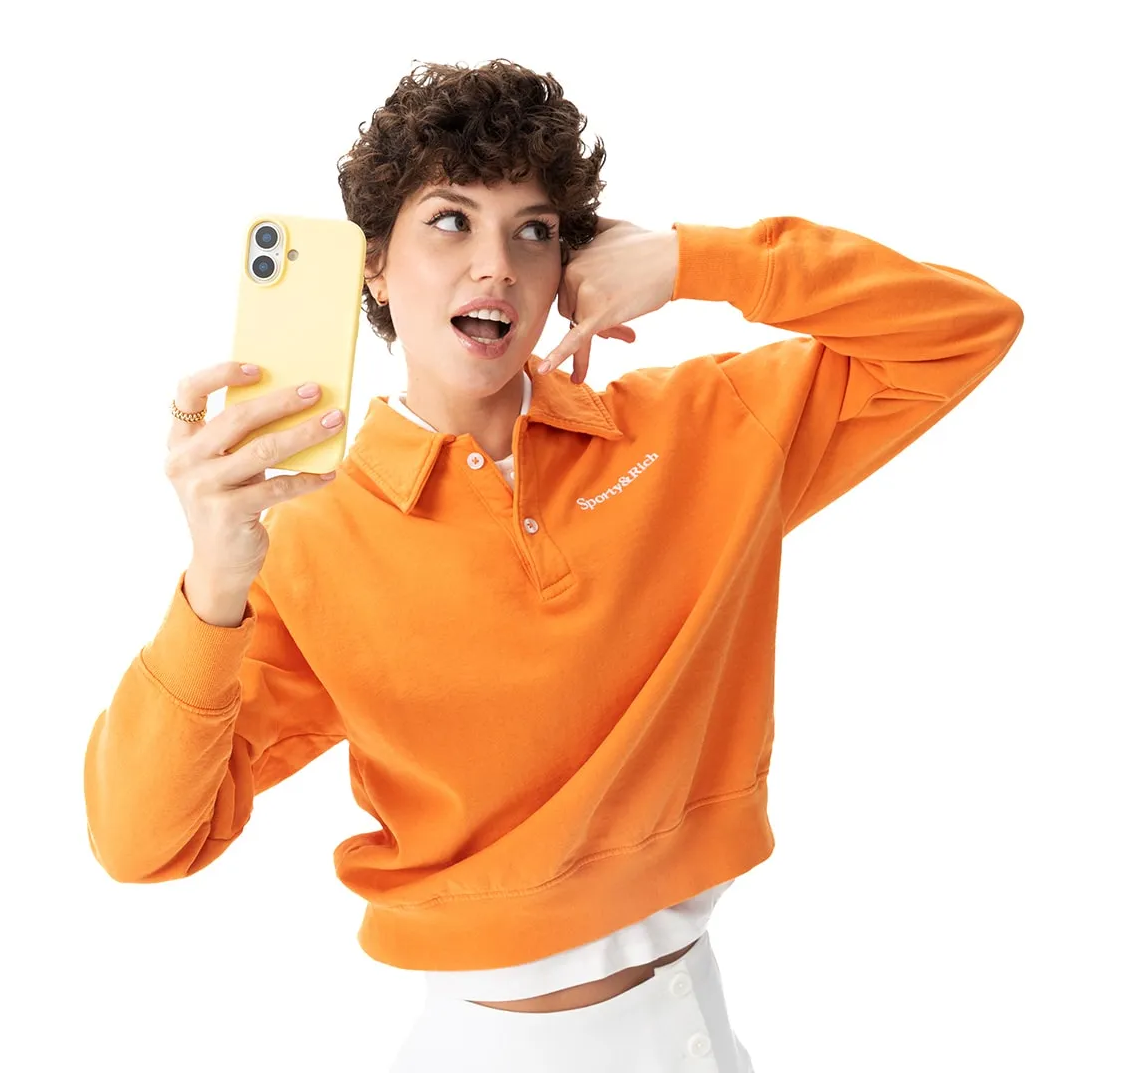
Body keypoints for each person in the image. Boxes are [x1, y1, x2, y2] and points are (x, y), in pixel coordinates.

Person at [83, 58, 1025, 1072]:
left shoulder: (697, 428)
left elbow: (965, 329)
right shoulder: (311, 537)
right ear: (372, 265)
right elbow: (142, 842)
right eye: (451, 221)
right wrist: (212, 586)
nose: (495, 266)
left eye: (532, 231)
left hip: (701, 1025)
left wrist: (696, 260)